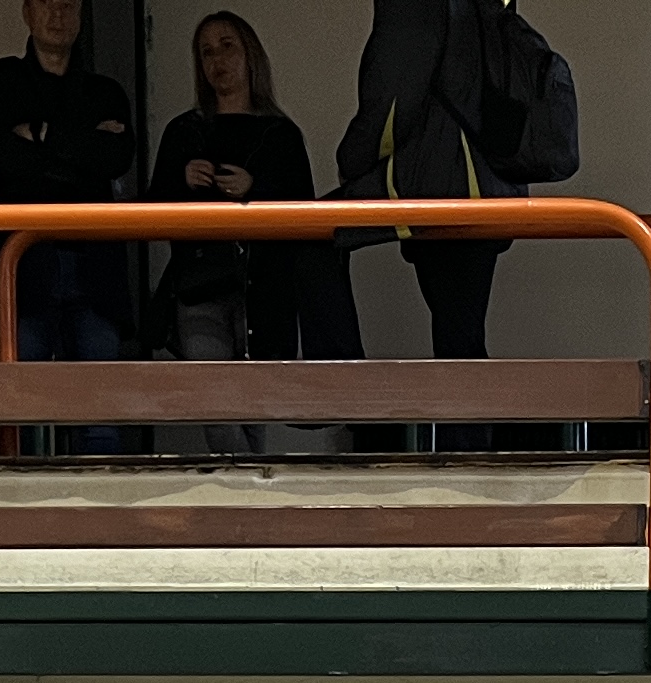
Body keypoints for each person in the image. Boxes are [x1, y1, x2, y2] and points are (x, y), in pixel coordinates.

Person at [150, 13, 332, 450]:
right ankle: (249, 484)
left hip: (264, 289)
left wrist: (256, 188)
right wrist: (181, 179)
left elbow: (303, 212)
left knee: (254, 410)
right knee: (215, 404)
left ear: (250, 54)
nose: (218, 59)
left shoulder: (280, 135)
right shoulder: (184, 131)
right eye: (206, 52)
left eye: (227, 45)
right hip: (200, 286)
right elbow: (152, 209)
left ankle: (250, 486)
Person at [336, 0, 526, 361]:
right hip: (489, 181)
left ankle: (339, 382)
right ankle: (342, 380)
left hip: (442, 182)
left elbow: (393, 99)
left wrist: (352, 159)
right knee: (461, 336)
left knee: (310, 239)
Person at [0, 0, 142, 377]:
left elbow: (116, 159)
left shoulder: (106, 92)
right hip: (23, 266)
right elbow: (0, 155)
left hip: (95, 269)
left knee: (98, 401)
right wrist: (84, 145)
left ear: (81, 13)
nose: (57, 13)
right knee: (23, 398)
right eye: (45, 2)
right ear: (27, 12)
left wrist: (40, 134)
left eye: (67, 4)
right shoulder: (1, 80)